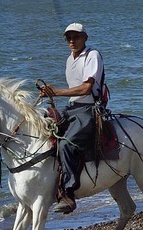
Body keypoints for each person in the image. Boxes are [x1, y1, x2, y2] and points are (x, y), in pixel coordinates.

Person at [39, 22, 104, 214]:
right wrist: (50, 93)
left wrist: (57, 92)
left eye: (76, 37)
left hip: (89, 109)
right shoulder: (70, 59)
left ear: (85, 38)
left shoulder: (92, 55)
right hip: (72, 107)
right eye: (68, 38)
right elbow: (74, 90)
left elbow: (86, 89)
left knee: (67, 144)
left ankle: (68, 193)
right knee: (43, 127)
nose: (72, 41)